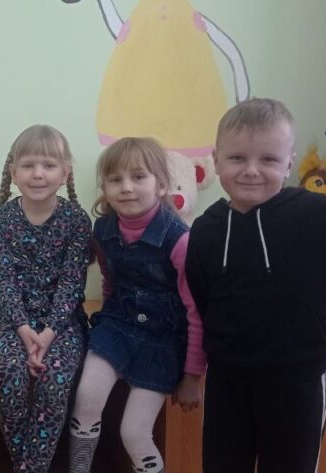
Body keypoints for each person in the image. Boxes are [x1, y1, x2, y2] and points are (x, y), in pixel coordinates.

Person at [185, 98, 326, 473]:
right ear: (216, 160)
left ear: (289, 163)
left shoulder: (319, 218)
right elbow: (203, 296)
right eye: (237, 158)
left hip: (296, 384)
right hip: (227, 381)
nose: (251, 171)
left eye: (268, 159)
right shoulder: (206, 229)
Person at [68, 137, 205, 473]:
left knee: (134, 433)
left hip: (162, 341)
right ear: (105, 188)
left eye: (138, 177)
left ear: (161, 185)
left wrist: (192, 376)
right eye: (116, 179)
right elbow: (110, 282)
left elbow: (196, 311)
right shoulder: (103, 230)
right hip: (117, 326)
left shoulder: (179, 239)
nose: (127, 187)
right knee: (86, 400)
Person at [0, 124, 92, 472]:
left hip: (63, 324)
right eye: (28, 165)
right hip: (14, 322)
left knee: (54, 383)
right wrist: (25, 330)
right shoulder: (1, 220)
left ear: (65, 173)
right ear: (14, 173)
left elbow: (72, 283)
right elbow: (5, 281)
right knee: (9, 377)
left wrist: (49, 333)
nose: (38, 174)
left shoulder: (77, 221)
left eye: (48, 165)